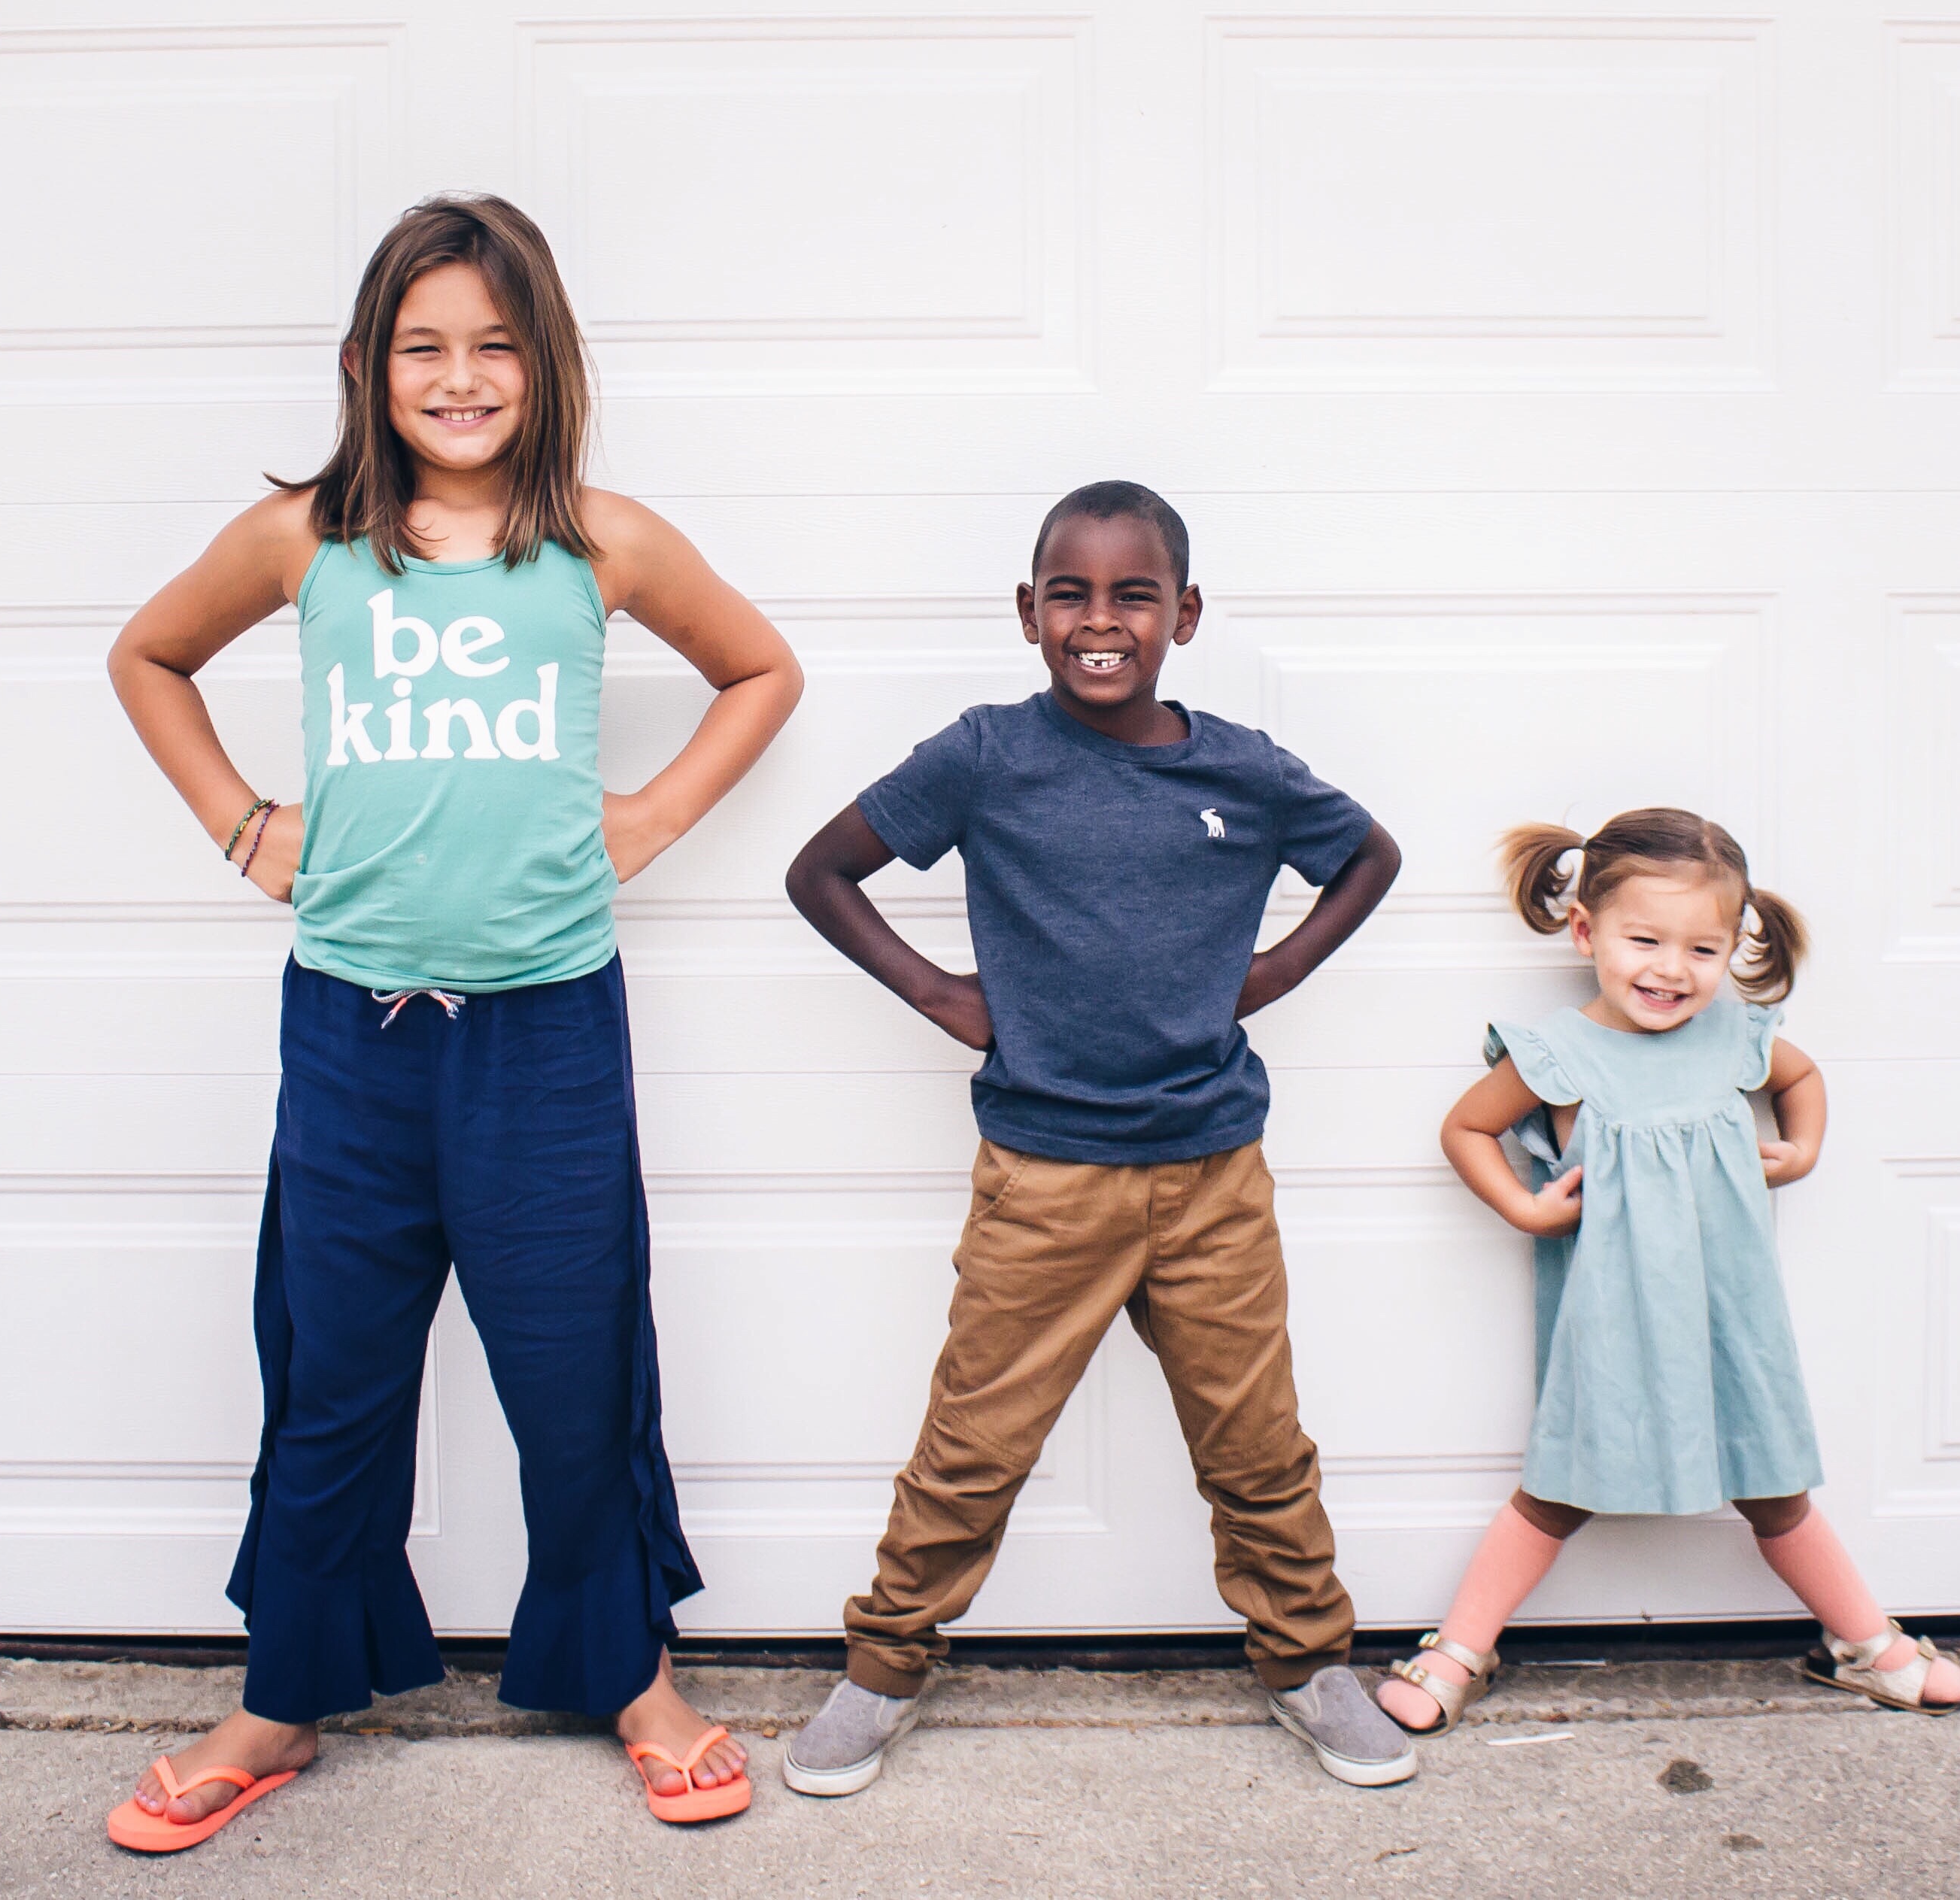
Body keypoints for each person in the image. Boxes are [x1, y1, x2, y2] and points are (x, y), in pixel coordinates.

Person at [102, 194, 803, 1849]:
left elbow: (760, 670)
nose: (462, 374)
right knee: (334, 1375)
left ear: (547, 366)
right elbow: (150, 655)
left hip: (547, 1036)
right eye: (426, 345)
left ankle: (629, 1675)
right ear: (366, 365)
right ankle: (282, 1699)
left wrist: (643, 821)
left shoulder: (602, 542)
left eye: (496, 344)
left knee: (574, 1371)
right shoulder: (304, 543)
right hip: (351, 1036)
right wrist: (238, 822)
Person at [779, 481, 1413, 1795]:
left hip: (1210, 1176)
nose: (1101, 618)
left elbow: (1369, 854)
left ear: (1183, 612)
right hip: (1043, 1180)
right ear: (1029, 613)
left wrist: (1280, 969)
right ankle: (883, 1667)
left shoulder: (1240, 768)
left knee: (1257, 1445)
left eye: (1133, 593)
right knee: (974, 1442)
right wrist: (943, 995)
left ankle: (1309, 1662)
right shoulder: (985, 756)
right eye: (1070, 591)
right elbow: (820, 872)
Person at [1376, 809, 1960, 1735]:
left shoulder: (1735, 1038)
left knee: (1775, 1487)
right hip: (1610, 1317)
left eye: (1702, 948)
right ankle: (1460, 1649)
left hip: (1732, 1315)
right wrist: (1525, 1206)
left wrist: (1803, 1147)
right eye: (1643, 940)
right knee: (1559, 1488)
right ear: (1587, 931)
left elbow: (1803, 1077)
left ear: (1735, 946)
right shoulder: (1559, 1054)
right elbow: (1466, 1128)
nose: (1670, 969)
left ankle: (1866, 1645)